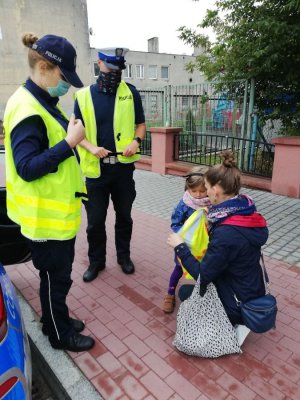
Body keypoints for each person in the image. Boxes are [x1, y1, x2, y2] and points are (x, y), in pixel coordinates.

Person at [4, 33, 95, 352]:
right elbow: (27, 167)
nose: (67, 85)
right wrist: (69, 143)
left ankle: (57, 320)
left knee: (56, 279)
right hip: (45, 219)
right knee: (56, 281)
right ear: (44, 67)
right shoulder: (27, 109)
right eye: (64, 77)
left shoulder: (41, 100)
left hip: (54, 215)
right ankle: (59, 335)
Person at [167, 150, 269, 329]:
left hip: (239, 304)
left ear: (215, 190)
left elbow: (201, 275)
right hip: (251, 288)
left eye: (205, 188)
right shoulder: (246, 210)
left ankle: (227, 320)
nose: (204, 193)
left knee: (185, 292)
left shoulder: (226, 233)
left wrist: (180, 246)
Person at [74, 47, 146, 282]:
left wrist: (136, 142)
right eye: (110, 67)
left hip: (123, 169)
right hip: (96, 171)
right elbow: (75, 133)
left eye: (118, 69)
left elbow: (141, 125)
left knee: (124, 216)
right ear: (99, 64)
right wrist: (92, 148)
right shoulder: (83, 96)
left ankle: (124, 257)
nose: (114, 73)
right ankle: (97, 262)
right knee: (95, 222)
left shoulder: (131, 93)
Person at [163, 167, 210, 313]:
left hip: (204, 247)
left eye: (202, 191)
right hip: (185, 245)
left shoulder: (212, 203)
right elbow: (175, 223)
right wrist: (183, 238)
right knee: (178, 268)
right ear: (187, 189)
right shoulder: (184, 204)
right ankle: (170, 293)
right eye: (194, 191)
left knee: (203, 271)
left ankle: (203, 294)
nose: (198, 195)